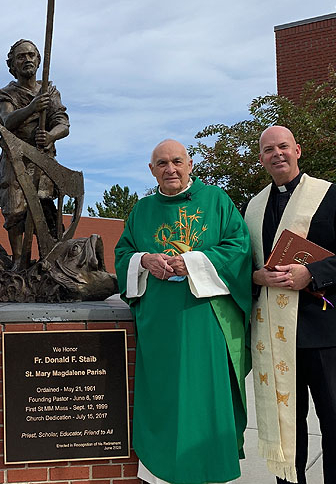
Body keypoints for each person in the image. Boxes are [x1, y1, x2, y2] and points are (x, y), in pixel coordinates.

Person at [114, 139, 252, 484]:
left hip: (204, 318)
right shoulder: (142, 210)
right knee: (162, 398)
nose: (170, 169)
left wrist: (192, 263)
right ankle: (160, 474)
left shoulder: (216, 201)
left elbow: (239, 247)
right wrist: (144, 260)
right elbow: (122, 253)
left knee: (203, 397)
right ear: (151, 170)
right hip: (159, 323)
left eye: (177, 161)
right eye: (161, 163)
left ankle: (206, 471)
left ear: (190, 164)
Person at [245, 126, 336, 484]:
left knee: (335, 421)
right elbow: (245, 264)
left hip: (326, 330)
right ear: (262, 158)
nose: (277, 154)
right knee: (287, 421)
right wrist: (256, 277)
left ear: (297, 150)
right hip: (273, 333)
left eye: (283, 146)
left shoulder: (335, 197)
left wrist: (312, 274)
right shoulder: (253, 207)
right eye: (268, 150)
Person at [0, 39, 70, 269]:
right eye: (21, 56)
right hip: (16, 160)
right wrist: (33, 107)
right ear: (12, 65)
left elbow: (62, 122)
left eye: (32, 55)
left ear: (39, 60)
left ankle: (49, 260)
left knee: (43, 212)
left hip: (42, 161)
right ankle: (18, 261)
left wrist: (51, 135)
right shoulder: (4, 94)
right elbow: (8, 121)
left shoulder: (49, 91)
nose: (28, 60)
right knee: (14, 212)